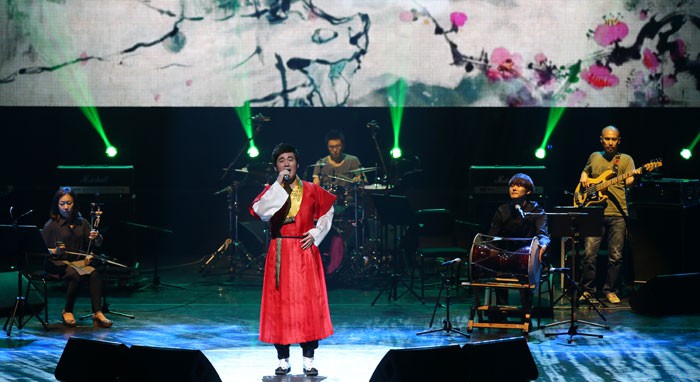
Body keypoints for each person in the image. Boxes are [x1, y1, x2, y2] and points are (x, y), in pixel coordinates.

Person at [249, 143, 336, 377]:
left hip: (304, 249)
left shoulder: (310, 189)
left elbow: (328, 210)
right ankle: (283, 359)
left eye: (290, 159)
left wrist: (317, 233)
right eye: (281, 160)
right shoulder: (271, 190)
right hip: (280, 250)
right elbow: (261, 211)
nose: (287, 163)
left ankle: (309, 359)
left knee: (307, 304)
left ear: (298, 163)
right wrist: (278, 185)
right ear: (276, 166)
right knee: (280, 305)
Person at [40, 187, 113, 328]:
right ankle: (67, 311)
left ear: (75, 204)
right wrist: (54, 251)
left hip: (77, 263)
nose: (66, 207)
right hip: (57, 264)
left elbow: (96, 244)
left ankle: (97, 312)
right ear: (56, 205)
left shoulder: (82, 223)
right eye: (62, 204)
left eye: (69, 203)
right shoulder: (51, 225)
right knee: (75, 274)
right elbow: (41, 250)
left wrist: (97, 237)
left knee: (94, 274)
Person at [578, 125, 635, 304]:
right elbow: (585, 171)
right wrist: (584, 177)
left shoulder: (625, 160)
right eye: (607, 139)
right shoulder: (594, 156)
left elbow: (629, 182)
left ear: (619, 140)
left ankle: (610, 290)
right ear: (601, 140)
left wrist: (632, 178)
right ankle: (587, 290)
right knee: (588, 254)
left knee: (616, 256)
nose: (610, 142)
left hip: (617, 214)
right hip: (594, 212)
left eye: (614, 139)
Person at [485, 173, 550, 320]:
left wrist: (543, 245)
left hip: (528, 257)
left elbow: (543, 234)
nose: (514, 188)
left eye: (519, 185)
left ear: (528, 191)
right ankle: (502, 311)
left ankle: (525, 313)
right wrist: (491, 250)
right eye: (512, 185)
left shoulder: (536, 210)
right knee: (496, 266)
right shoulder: (502, 210)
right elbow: (492, 237)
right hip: (505, 255)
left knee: (526, 270)